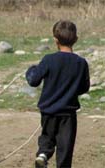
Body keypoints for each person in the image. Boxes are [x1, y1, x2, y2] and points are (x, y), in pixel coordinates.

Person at [26, 20, 90, 168]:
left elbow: (33, 81)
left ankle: (43, 154)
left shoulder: (49, 59)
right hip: (68, 114)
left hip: (48, 111)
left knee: (47, 137)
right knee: (65, 147)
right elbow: (84, 87)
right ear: (76, 39)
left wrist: (30, 70)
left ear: (55, 39)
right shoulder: (81, 63)